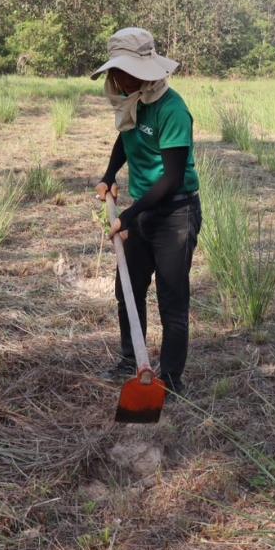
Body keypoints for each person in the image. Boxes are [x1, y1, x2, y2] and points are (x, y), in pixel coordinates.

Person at [92, 27, 201, 396]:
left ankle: (171, 378)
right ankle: (130, 359)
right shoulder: (131, 100)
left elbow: (171, 179)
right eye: (116, 73)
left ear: (145, 71)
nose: (118, 80)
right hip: (142, 210)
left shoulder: (173, 110)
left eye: (124, 72)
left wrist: (128, 214)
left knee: (172, 296)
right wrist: (109, 175)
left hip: (174, 213)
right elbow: (125, 138)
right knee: (129, 287)